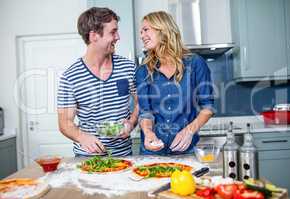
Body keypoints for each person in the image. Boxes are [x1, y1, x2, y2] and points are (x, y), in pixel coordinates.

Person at [57, 7, 138, 157]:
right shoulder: (71, 77)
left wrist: (131, 122)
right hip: (88, 159)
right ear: (94, 36)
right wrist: (82, 137)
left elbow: (141, 102)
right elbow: (65, 122)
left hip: (124, 156)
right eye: (113, 32)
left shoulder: (128, 67)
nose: (118, 37)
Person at [136, 11, 214, 155]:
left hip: (185, 150)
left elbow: (208, 107)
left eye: (146, 30)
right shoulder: (143, 70)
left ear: (163, 29)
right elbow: (145, 112)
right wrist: (148, 132)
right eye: (141, 32)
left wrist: (189, 131)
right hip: (152, 152)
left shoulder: (195, 63)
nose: (142, 36)